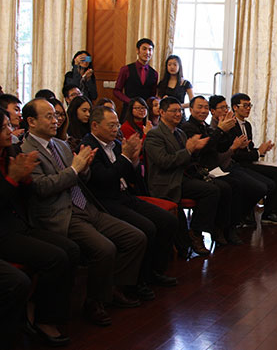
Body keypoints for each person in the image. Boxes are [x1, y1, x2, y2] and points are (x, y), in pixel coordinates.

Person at [21, 98, 147, 327]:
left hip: (86, 206)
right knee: (105, 249)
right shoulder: (25, 150)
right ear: (31, 121)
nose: (56, 120)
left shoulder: (60, 145)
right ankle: (94, 302)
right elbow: (42, 188)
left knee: (135, 237)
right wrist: (75, 168)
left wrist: (84, 168)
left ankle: (114, 288)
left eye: (56, 115)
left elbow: (81, 177)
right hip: (61, 213)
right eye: (49, 116)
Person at [81, 107, 178, 298]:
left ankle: (154, 271)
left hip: (125, 196)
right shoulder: (88, 147)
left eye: (117, 124)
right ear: (95, 125)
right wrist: (126, 157)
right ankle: (135, 282)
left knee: (168, 221)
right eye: (111, 125)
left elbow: (131, 177)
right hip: (105, 201)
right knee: (147, 228)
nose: (116, 129)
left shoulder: (116, 144)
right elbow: (105, 179)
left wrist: (133, 161)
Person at [1, 108, 78, 347]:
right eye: (3, 128)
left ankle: (43, 310)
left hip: (20, 223)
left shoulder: (12, 152)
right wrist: (13, 179)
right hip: (3, 231)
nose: (10, 131)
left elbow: (27, 193)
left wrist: (24, 180)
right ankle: (42, 320)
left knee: (70, 249)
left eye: (8, 125)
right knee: (55, 257)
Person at [181, 96, 267, 244]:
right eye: (200, 107)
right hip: (198, 171)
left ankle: (229, 227)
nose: (203, 111)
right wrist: (220, 131)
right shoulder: (188, 127)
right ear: (191, 109)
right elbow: (204, 150)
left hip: (214, 168)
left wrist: (225, 133)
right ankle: (214, 229)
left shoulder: (205, 127)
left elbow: (220, 148)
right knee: (226, 187)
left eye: (205, 107)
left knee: (237, 185)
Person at [144, 97, 220, 255]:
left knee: (214, 188)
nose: (178, 114)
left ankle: (196, 231)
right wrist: (189, 150)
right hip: (166, 181)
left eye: (179, 110)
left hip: (182, 177)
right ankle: (193, 235)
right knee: (210, 191)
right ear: (162, 112)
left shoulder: (179, 133)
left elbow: (187, 159)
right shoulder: (154, 135)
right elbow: (164, 161)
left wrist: (195, 150)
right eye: (174, 111)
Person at [229, 93, 277, 224]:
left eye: (249, 105)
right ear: (235, 107)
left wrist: (262, 150)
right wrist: (258, 152)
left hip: (250, 161)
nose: (248, 108)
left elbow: (249, 149)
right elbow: (236, 155)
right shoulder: (230, 126)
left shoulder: (247, 125)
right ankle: (269, 213)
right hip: (240, 164)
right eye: (245, 106)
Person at [113, 38, 158, 119]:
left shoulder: (154, 73)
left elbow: (153, 94)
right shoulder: (126, 69)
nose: (147, 52)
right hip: (128, 110)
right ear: (137, 50)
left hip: (145, 113)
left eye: (150, 50)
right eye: (144, 49)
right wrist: (130, 102)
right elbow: (117, 91)